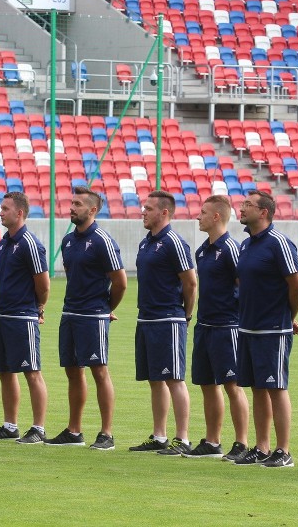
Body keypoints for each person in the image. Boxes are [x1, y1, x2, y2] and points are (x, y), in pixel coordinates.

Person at [45, 186, 126, 450]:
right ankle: (74, 430)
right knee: (72, 371)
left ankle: (107, 434)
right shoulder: (68, 241)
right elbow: (72, 276)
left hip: (92, 316)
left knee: (99, 371)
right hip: (69, 313)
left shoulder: (102, 239)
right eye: (72, 203)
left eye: (78, 204)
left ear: (92, 210)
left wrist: (105, 308)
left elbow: (120, 282)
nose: (72, 208)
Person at [234, 190, 298, 468]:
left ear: (264, 212)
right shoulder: (245, 245)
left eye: (248, 205)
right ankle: (261, 447)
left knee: (276, 387)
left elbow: (297, 287)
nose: (241, 208)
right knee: (258, 389)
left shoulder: (279, 243)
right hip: (248, 328)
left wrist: (286, 317)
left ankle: (283, 450)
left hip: (272, 330)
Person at [129, 190, 196, 456]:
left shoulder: (174, 242)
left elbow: (190, 282)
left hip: (168, 318)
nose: (143, 212)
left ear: (164, 212)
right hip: (146, 318)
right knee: (155, 379)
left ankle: (183, 438)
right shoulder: (147, 243)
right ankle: (159, 436)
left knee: (174, 379)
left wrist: (185, 315)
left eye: (148, 208)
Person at [183, 196, 250, 461]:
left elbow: (244, 284)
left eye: (203, 212)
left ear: (216, 217)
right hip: (205, 326)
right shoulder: (202, 251)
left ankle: (242, 442)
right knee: (207, 385)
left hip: (228, 326)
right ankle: (212, 441)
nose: (198, 217)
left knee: (232, 385)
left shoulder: (232, 248)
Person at [0, 192, 50, 444]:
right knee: (5, 372)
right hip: (0, 315)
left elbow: (43, 284)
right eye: (1, 208)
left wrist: (38, 308)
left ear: (19, 213)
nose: (0, 212)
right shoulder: (3, 243)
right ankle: (10, 425)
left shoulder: (30, 244)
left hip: (22, 317)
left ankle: (38, 428)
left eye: (6, 209)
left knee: (32, 372)